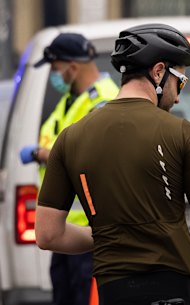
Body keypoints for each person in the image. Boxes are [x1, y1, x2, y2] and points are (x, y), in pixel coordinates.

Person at [33, 23, 190, 305]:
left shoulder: (69, 138)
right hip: (180, 288)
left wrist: (112, 235)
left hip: (114, 292)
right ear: (158, 72)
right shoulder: (182, 132)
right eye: (180, 81)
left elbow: (48, 235)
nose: (179, 96)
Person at [19, 32, 120, 305]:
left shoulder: (103, 101)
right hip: (64, 232)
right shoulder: (70, 102)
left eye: (55, 69)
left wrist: (41, 154)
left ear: (72, 67)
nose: (55, 76)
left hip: (90, 234)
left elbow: (91, 156)